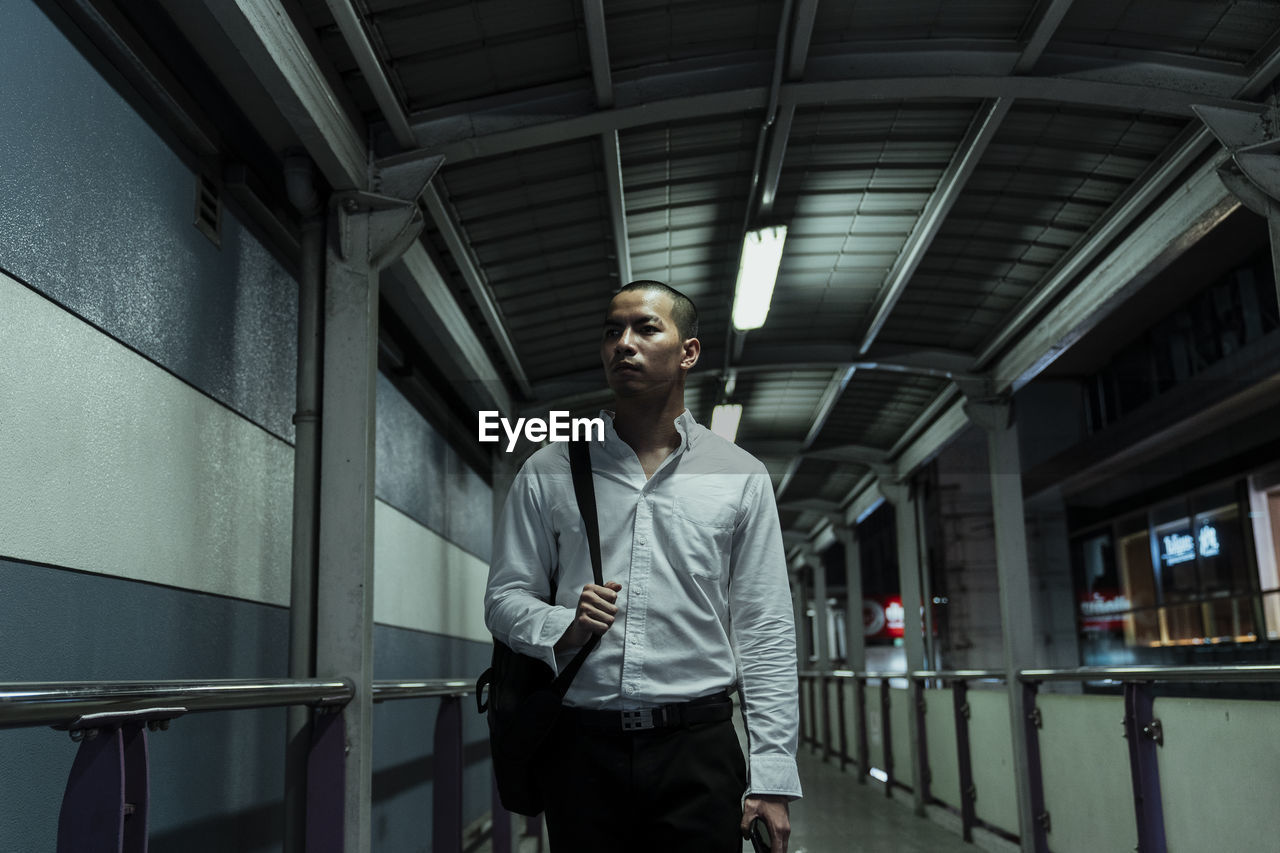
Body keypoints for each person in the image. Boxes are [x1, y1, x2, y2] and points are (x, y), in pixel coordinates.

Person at [485, 280, 801, 852]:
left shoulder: (741, 474)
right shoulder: (548, 467)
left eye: (645, 328)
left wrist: (773, 776)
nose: (623, 344)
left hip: (698, 749)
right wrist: (563, 626)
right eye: (612, 331)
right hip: (581, 747)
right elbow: (504, 596)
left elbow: (765, 629)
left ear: (688, 352)